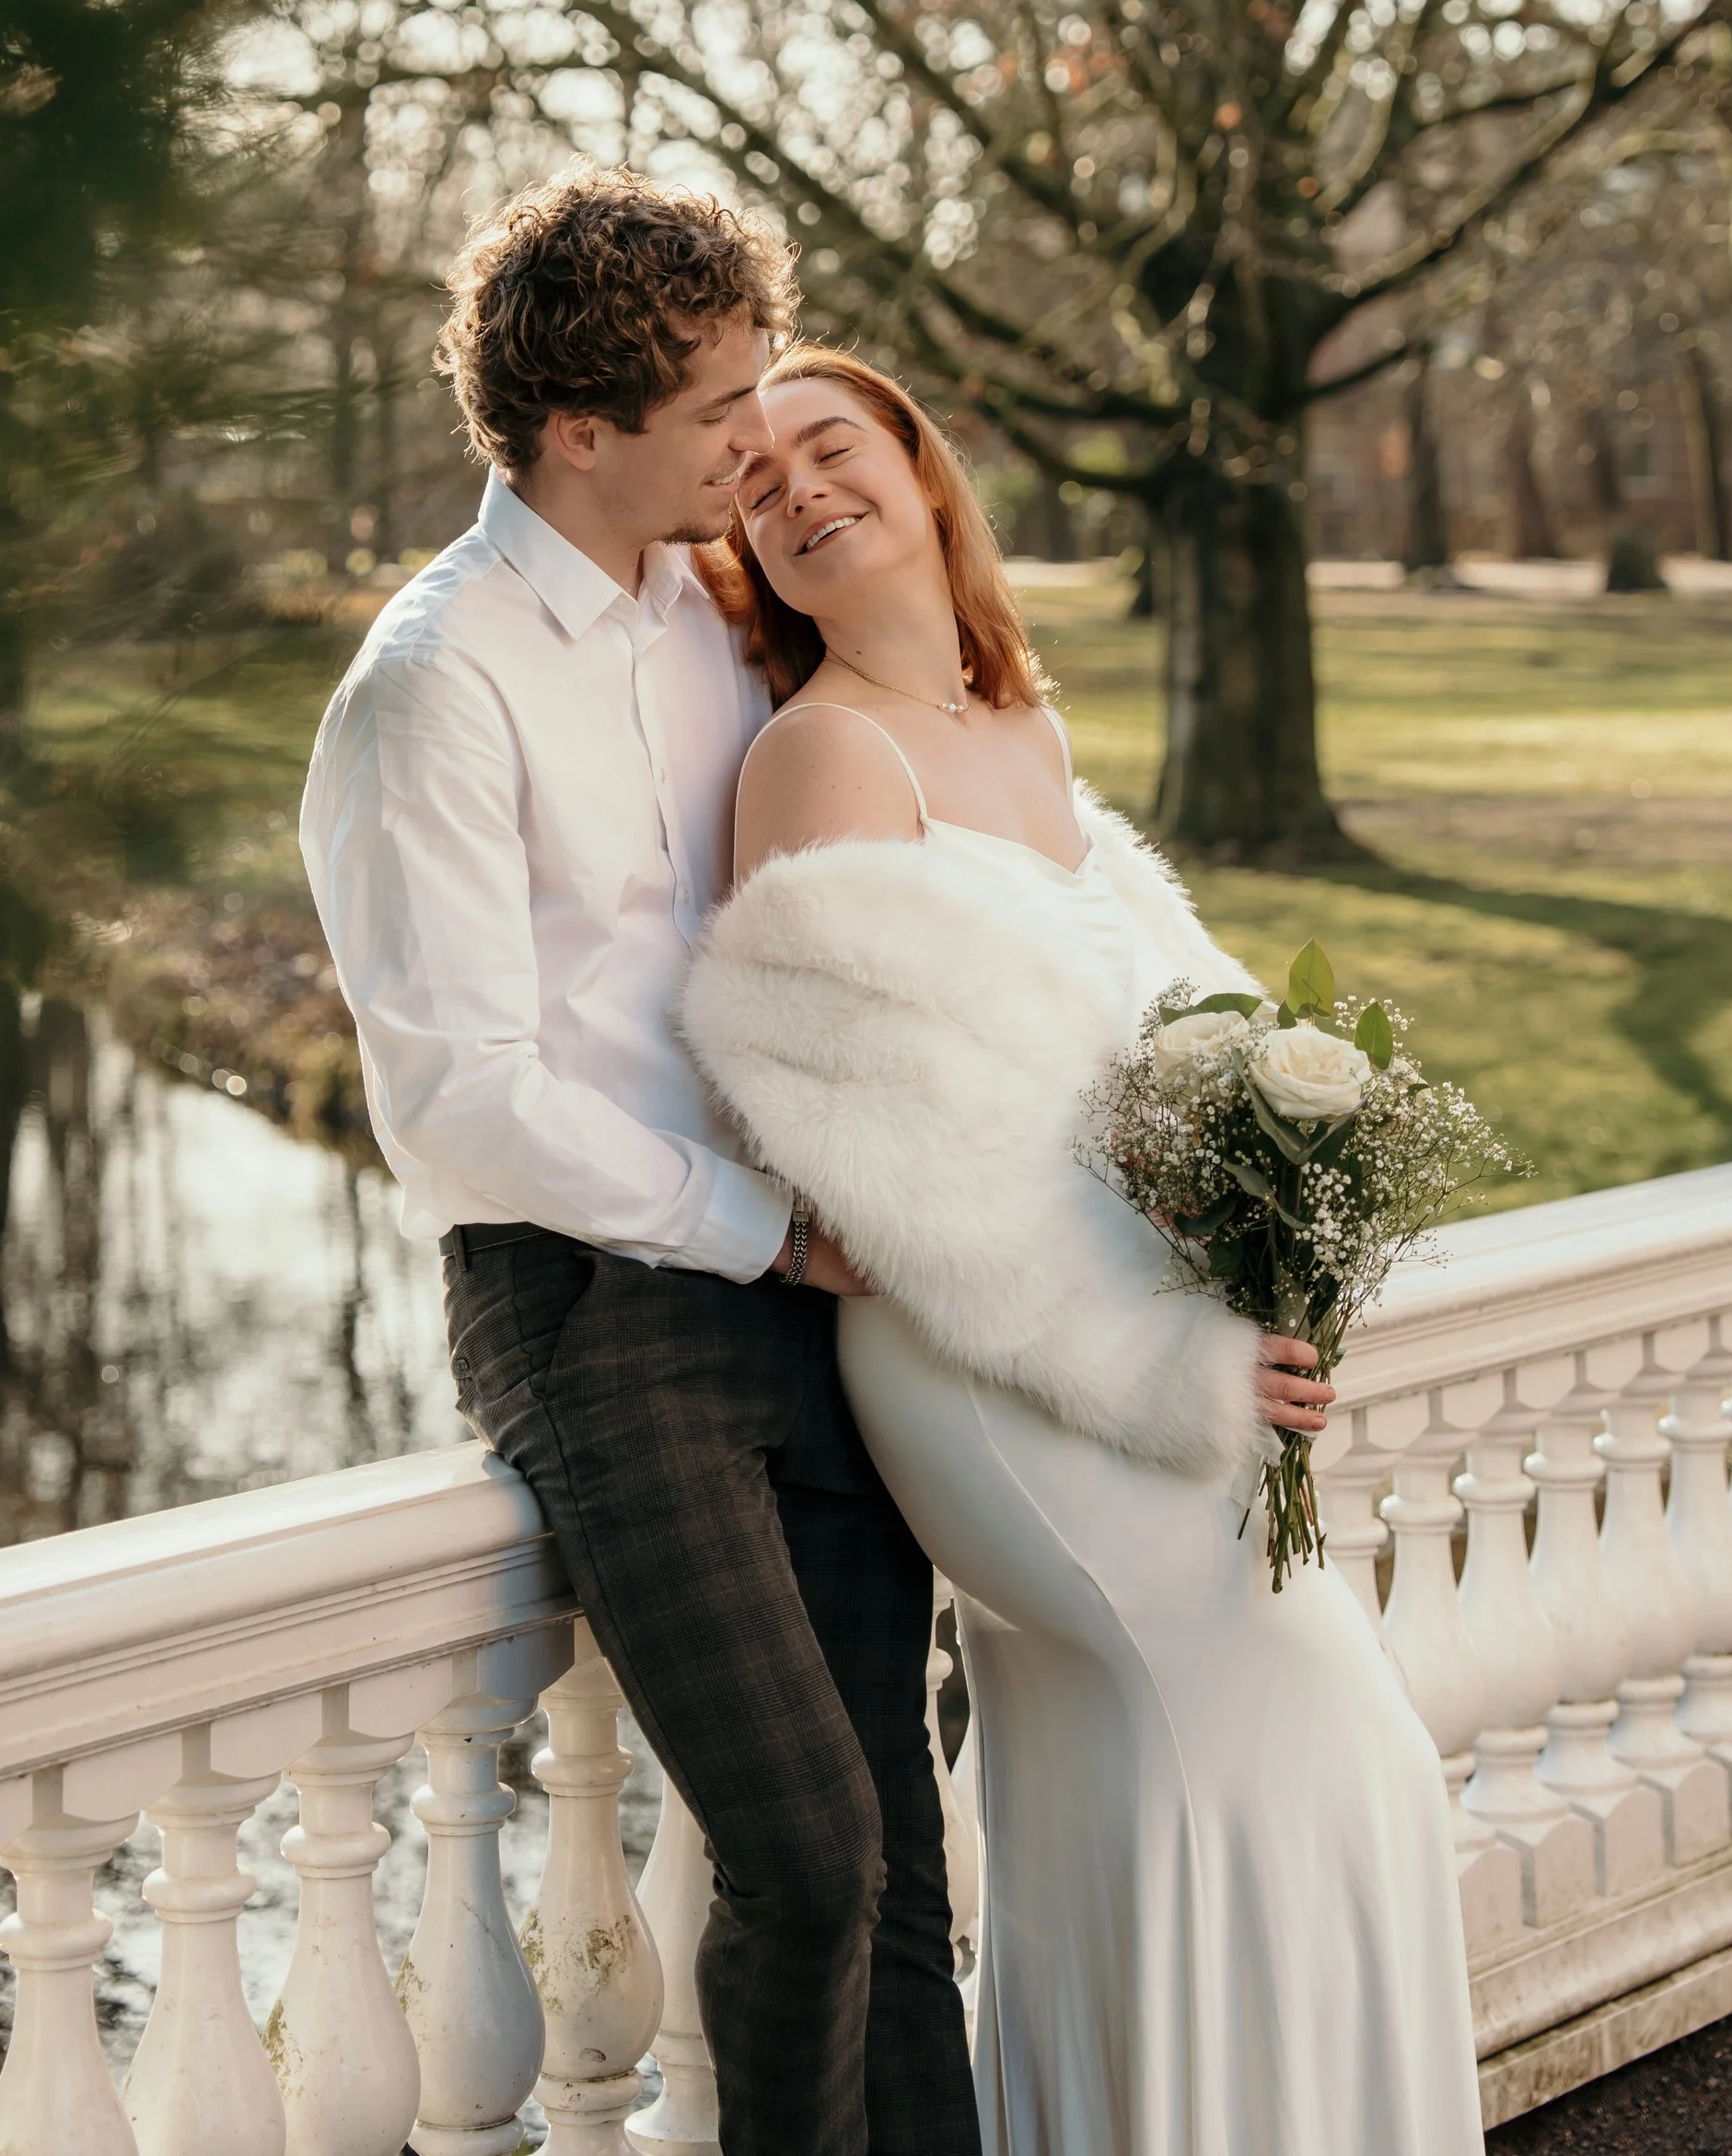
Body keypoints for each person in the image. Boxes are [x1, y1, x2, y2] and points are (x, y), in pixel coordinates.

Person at [681, 344, 1488, 2156]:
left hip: (1135, 1342)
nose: (798, 488)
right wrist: (1174, 1369)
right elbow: (908, 1175)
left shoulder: (1019, 732)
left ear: (920, 462)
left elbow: (1158, 1064)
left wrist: (1285, 1232)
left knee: (1140, 1790)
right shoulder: (818, 753)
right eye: (753, 484)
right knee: (1312, 1747)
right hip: (1003, 1367)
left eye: (832, 448)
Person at [298, 174, 982, 2156]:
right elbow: (454, 1099)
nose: (751, 436)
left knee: (902, 1864)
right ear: (579, 432)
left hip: (802, 1290)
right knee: (802, 1853)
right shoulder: (432, 684)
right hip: (598, 1317)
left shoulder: (713, 619)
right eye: (714, 408)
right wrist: (765, 1234)